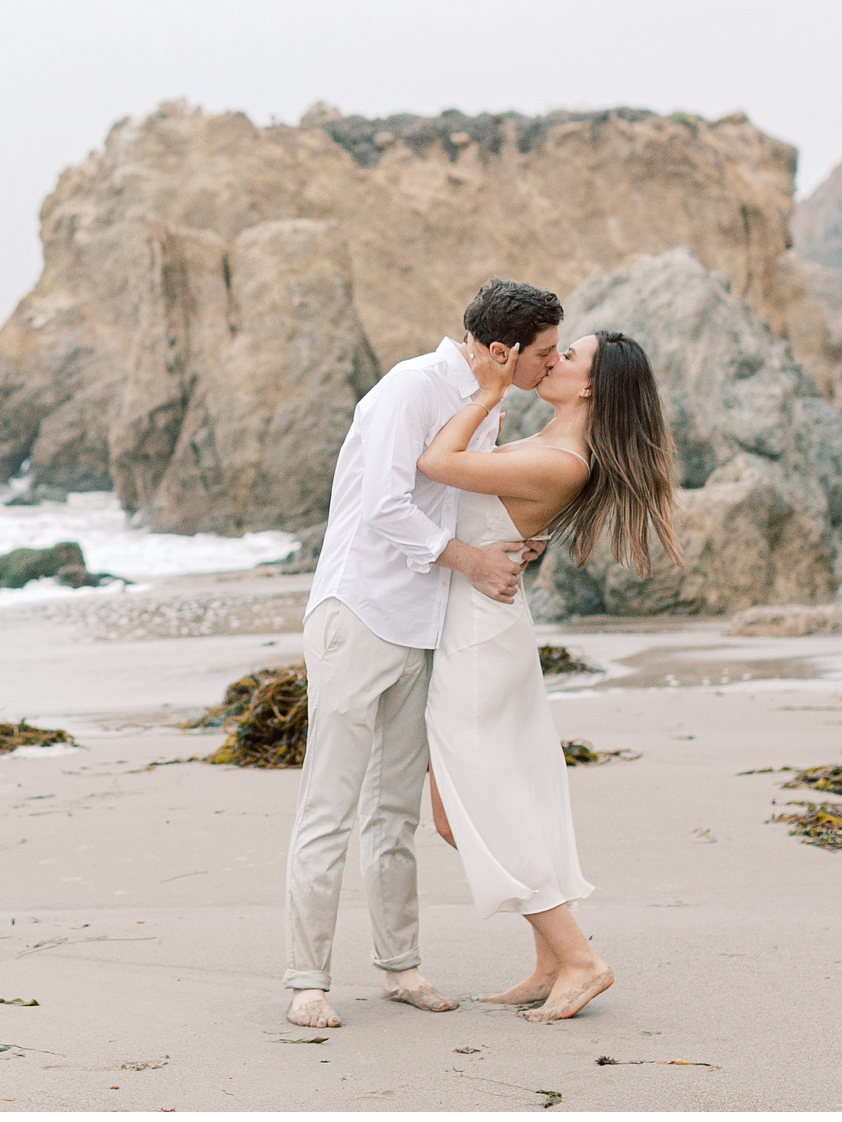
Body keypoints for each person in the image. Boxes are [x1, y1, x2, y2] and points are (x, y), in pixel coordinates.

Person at [283, 279, 566, 1030]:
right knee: (331, 803)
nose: (553, 363)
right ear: (502, 351)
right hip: (359, 611)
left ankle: (399, 966)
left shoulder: (489, 399)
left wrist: (508, 543)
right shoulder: (411, 386)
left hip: (423, 622)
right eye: (543, 353)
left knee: (394, 810)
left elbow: (457, 498)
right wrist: (473, 561)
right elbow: (384, 505)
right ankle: (307, 979)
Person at [416, 328, 682, 1024]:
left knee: (481, 807)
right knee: (457, 811)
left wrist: (489, 390)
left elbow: (436, 460)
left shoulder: (563, 459)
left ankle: (583, 959)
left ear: (590, 385)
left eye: (570, 357)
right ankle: (550, 961)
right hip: (477, 629)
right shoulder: (549, 445)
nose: (553, 360)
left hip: (480, 641)